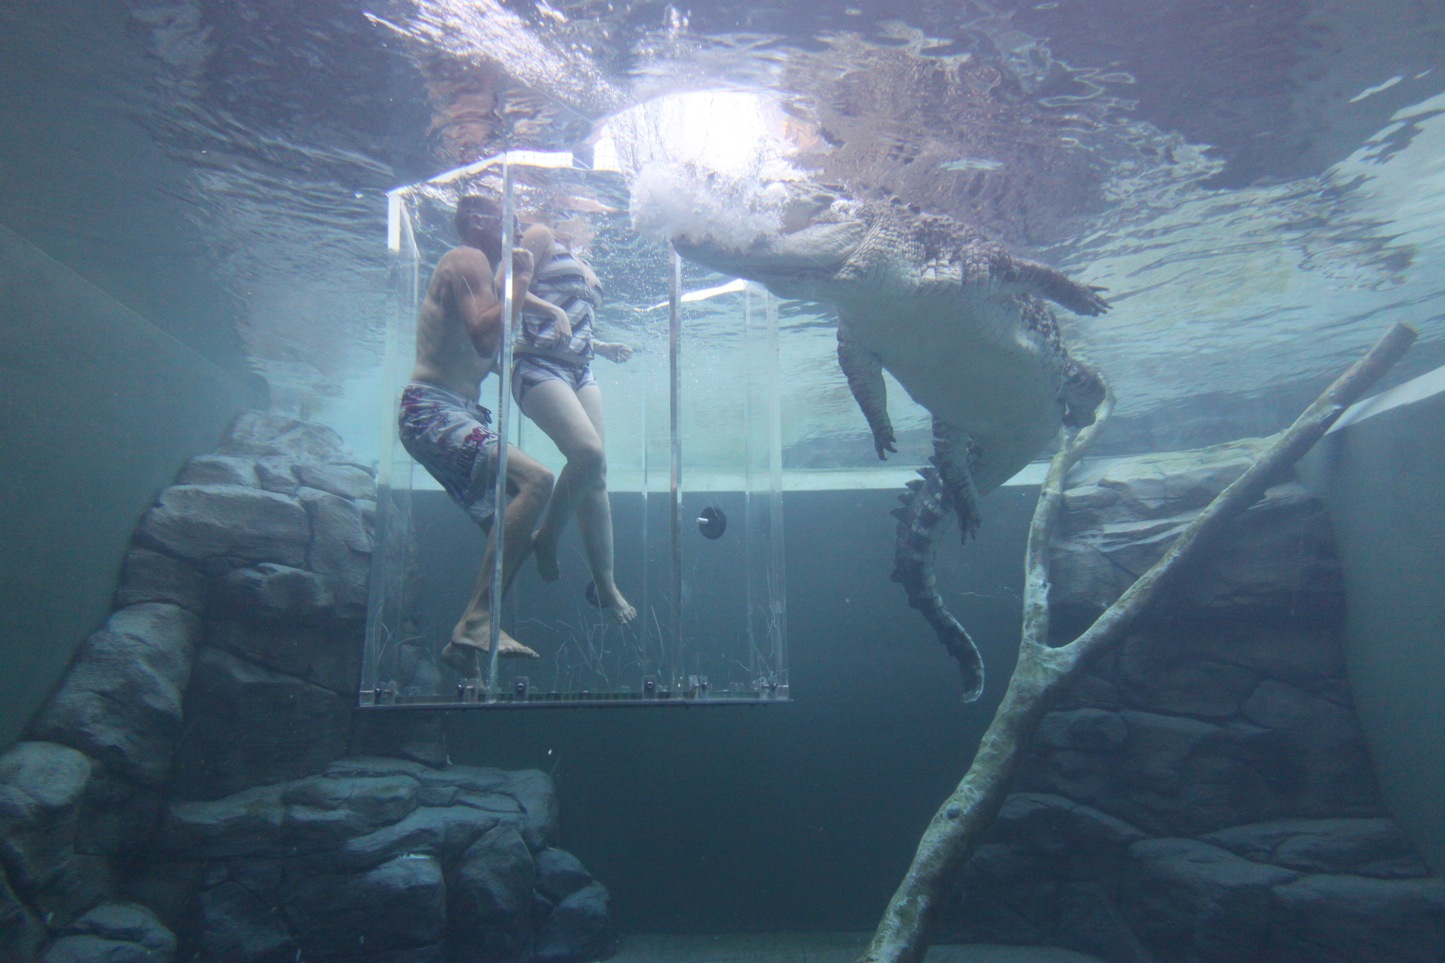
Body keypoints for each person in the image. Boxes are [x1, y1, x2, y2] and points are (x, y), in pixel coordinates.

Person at [397, 194, 555, 677]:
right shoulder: (465, 259)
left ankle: (462, 645)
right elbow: (485, 336)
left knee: (516, 534)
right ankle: (478, 620)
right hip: (433, 409)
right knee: (538, 482)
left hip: (455, 411)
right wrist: (524, 276)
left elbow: (496, 335)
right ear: (478, 222)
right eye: (508, 218)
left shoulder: (489, 276)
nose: (517, 226)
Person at [510, 220, 638, 623]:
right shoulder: (541, 235)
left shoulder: (584, 260)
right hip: (536, 362)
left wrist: (600, 346)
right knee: (586, 452)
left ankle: (606, 583)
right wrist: (548, 310)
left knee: (595, 473)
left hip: (582, 369)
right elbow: (510, 292)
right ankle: (547, 539)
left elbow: (573, 320)